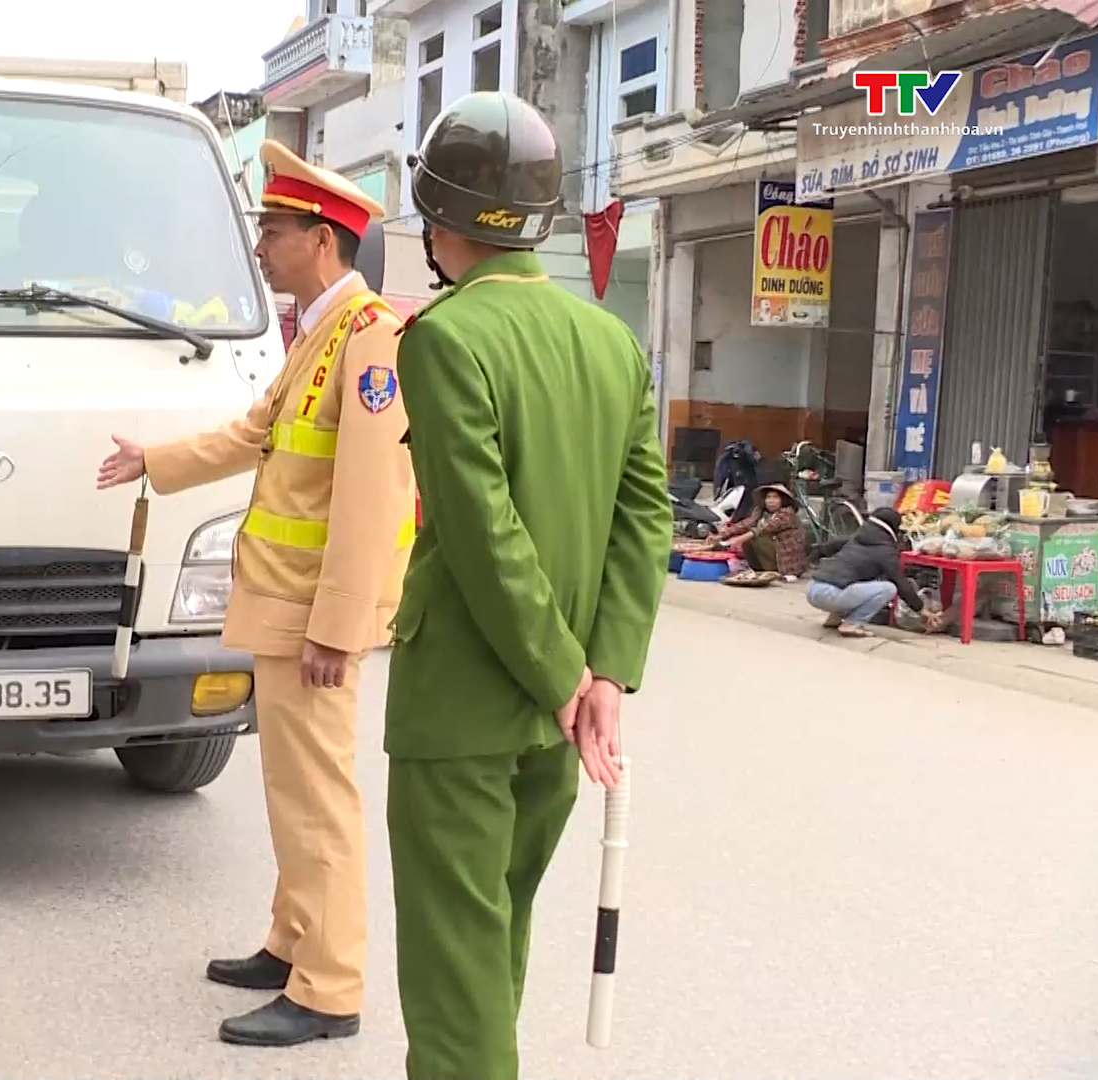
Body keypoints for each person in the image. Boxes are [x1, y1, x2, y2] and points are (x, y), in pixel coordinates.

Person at [96, 140, 414, 1048]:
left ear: (321, 238)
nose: (262, 245)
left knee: (320, 802)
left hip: (314, 620)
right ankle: (291, 942)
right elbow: (253, 435)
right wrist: (154, 462)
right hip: (282, 609)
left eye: (273, 230)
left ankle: (329, 986)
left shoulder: (369, 341)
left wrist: (341, 628)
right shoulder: (316, 334)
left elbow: (369, 498)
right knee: (291, 792)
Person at [385, 91, 670, 1080]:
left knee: (455, 963)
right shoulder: (611, 342)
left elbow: (479, 531)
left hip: (467, 702)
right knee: (497, 938)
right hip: (561, 715)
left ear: (437, 216)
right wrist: (603, 677)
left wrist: (560, 677)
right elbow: (646, 517)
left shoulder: (445, 338)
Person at [807, 506, 941, 637]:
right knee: (888, 588)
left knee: (855, 582)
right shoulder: (885, 550)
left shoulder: (855, 539)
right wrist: (921, 609)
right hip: (831, 595)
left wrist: (811, 555)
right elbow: (900, 583)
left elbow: (828, 547)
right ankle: (853, 623)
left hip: (813, 588)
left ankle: (835, 618)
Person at [713, 482, 808, 578]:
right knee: (748, 541)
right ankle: (760, 570)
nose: (770, 501)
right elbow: (747, 523)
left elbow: (765, 528)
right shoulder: (761, 511)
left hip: (786, 557)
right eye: (768, 497)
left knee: (756, 538)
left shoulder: (787, 513)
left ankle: (775, 571)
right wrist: (722, 534)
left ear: (782, 500)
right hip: (773, 550)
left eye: (775, 497)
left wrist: (739, 539)